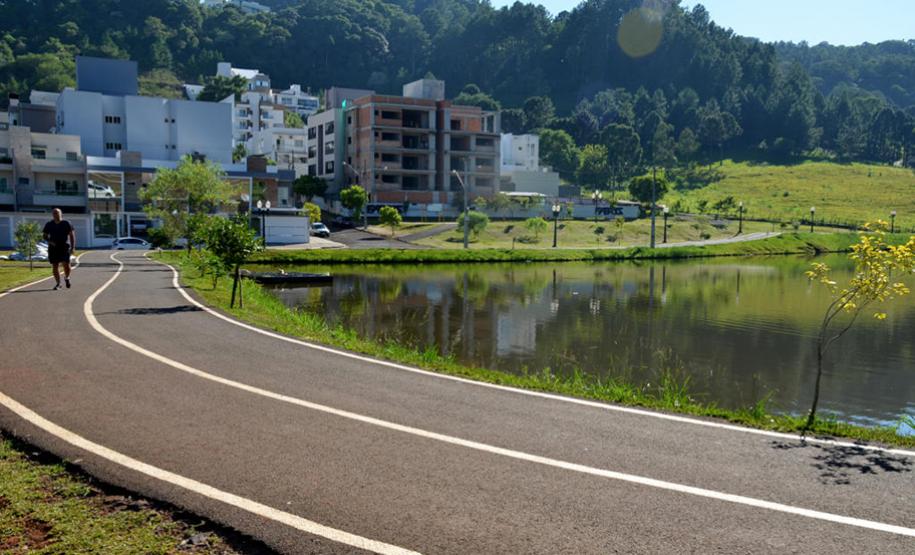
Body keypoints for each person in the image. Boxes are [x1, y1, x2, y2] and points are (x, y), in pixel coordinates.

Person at [42, 208, 76, 290]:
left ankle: (67, 277)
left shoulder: (66, 223)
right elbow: (44, 236)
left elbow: (72, 235)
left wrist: (73, 247)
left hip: (64, 247)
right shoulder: (49, 224)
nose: (55, 214)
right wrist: (50, 242)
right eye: (54, 213)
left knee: (66, 265)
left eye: (57, 213)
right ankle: (58, 283)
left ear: (61, 214)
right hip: (53, 248)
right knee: (55, 265)